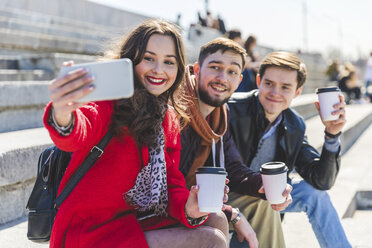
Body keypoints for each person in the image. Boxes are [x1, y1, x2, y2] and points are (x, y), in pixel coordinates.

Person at [44, 19, 229, 248]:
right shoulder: (109, 103)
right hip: (92, 230)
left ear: (179, 69)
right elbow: (79, 130)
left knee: (216, 218)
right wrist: (63, 113)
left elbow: (171, 184)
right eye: (149, 58)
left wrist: (189, 208)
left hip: (135, 221)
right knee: (209, 240)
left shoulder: (168, 117)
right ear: (131, 61)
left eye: (169, 62)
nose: (159, 70)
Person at [228, 51, 351, 248]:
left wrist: (331, 135)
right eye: (269, 83)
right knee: (265, 199)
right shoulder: (232, 109)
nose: (275, 92)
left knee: (315, 195)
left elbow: (321, 180)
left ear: (297, 92)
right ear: (258, 81)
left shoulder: (294, 124)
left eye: (285, 87)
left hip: (272, 198)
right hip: (233, 195)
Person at [179, 38, 292, 248]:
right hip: (176, 202)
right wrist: (232, 213)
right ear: (197, 70)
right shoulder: (176, 109)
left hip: (200, 197)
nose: (223, 77)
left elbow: (233, 167)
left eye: (232, 72)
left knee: (263, 203)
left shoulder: (222, 112)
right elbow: (167, 186)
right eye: (215, 67)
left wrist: (263, 186)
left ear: (239, 81)